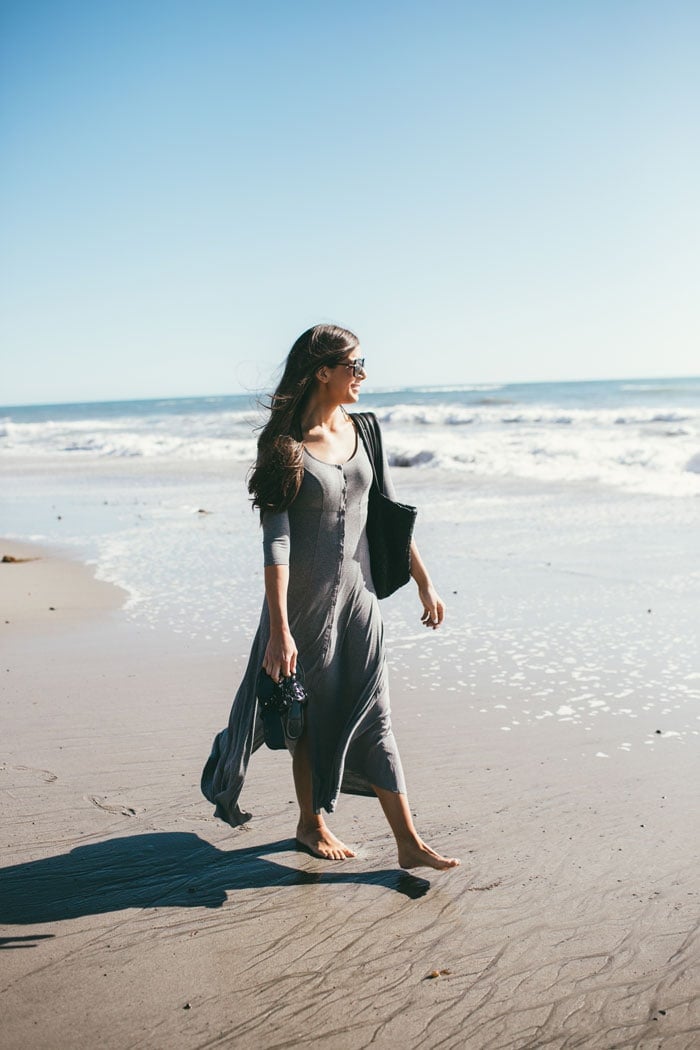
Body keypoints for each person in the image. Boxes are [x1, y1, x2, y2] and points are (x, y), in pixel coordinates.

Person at [201, 324, 460, 871]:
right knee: (308, 720)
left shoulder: (365, 429)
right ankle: (310, 823)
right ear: (324, 371)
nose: (364, 374)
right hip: (304, 609)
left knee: (376, 714)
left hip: (359, 602)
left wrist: (424, 579)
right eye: (356, 364)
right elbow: (276, 541)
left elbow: (387, 514)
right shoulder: (284, 446)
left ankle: (407, 842)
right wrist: (279, 629)